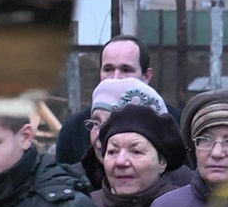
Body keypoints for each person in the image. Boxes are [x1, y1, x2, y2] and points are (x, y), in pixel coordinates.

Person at [55, 35, 181, 164]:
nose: (115, 77)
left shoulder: (175, 124)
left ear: (146, 76)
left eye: (126, 70)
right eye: (108, 69)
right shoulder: (74, 129)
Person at [71, 77, 173, 189]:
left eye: (110, 125)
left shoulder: (181, 187)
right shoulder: (71, 183)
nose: (100, 134)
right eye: (95, 123)